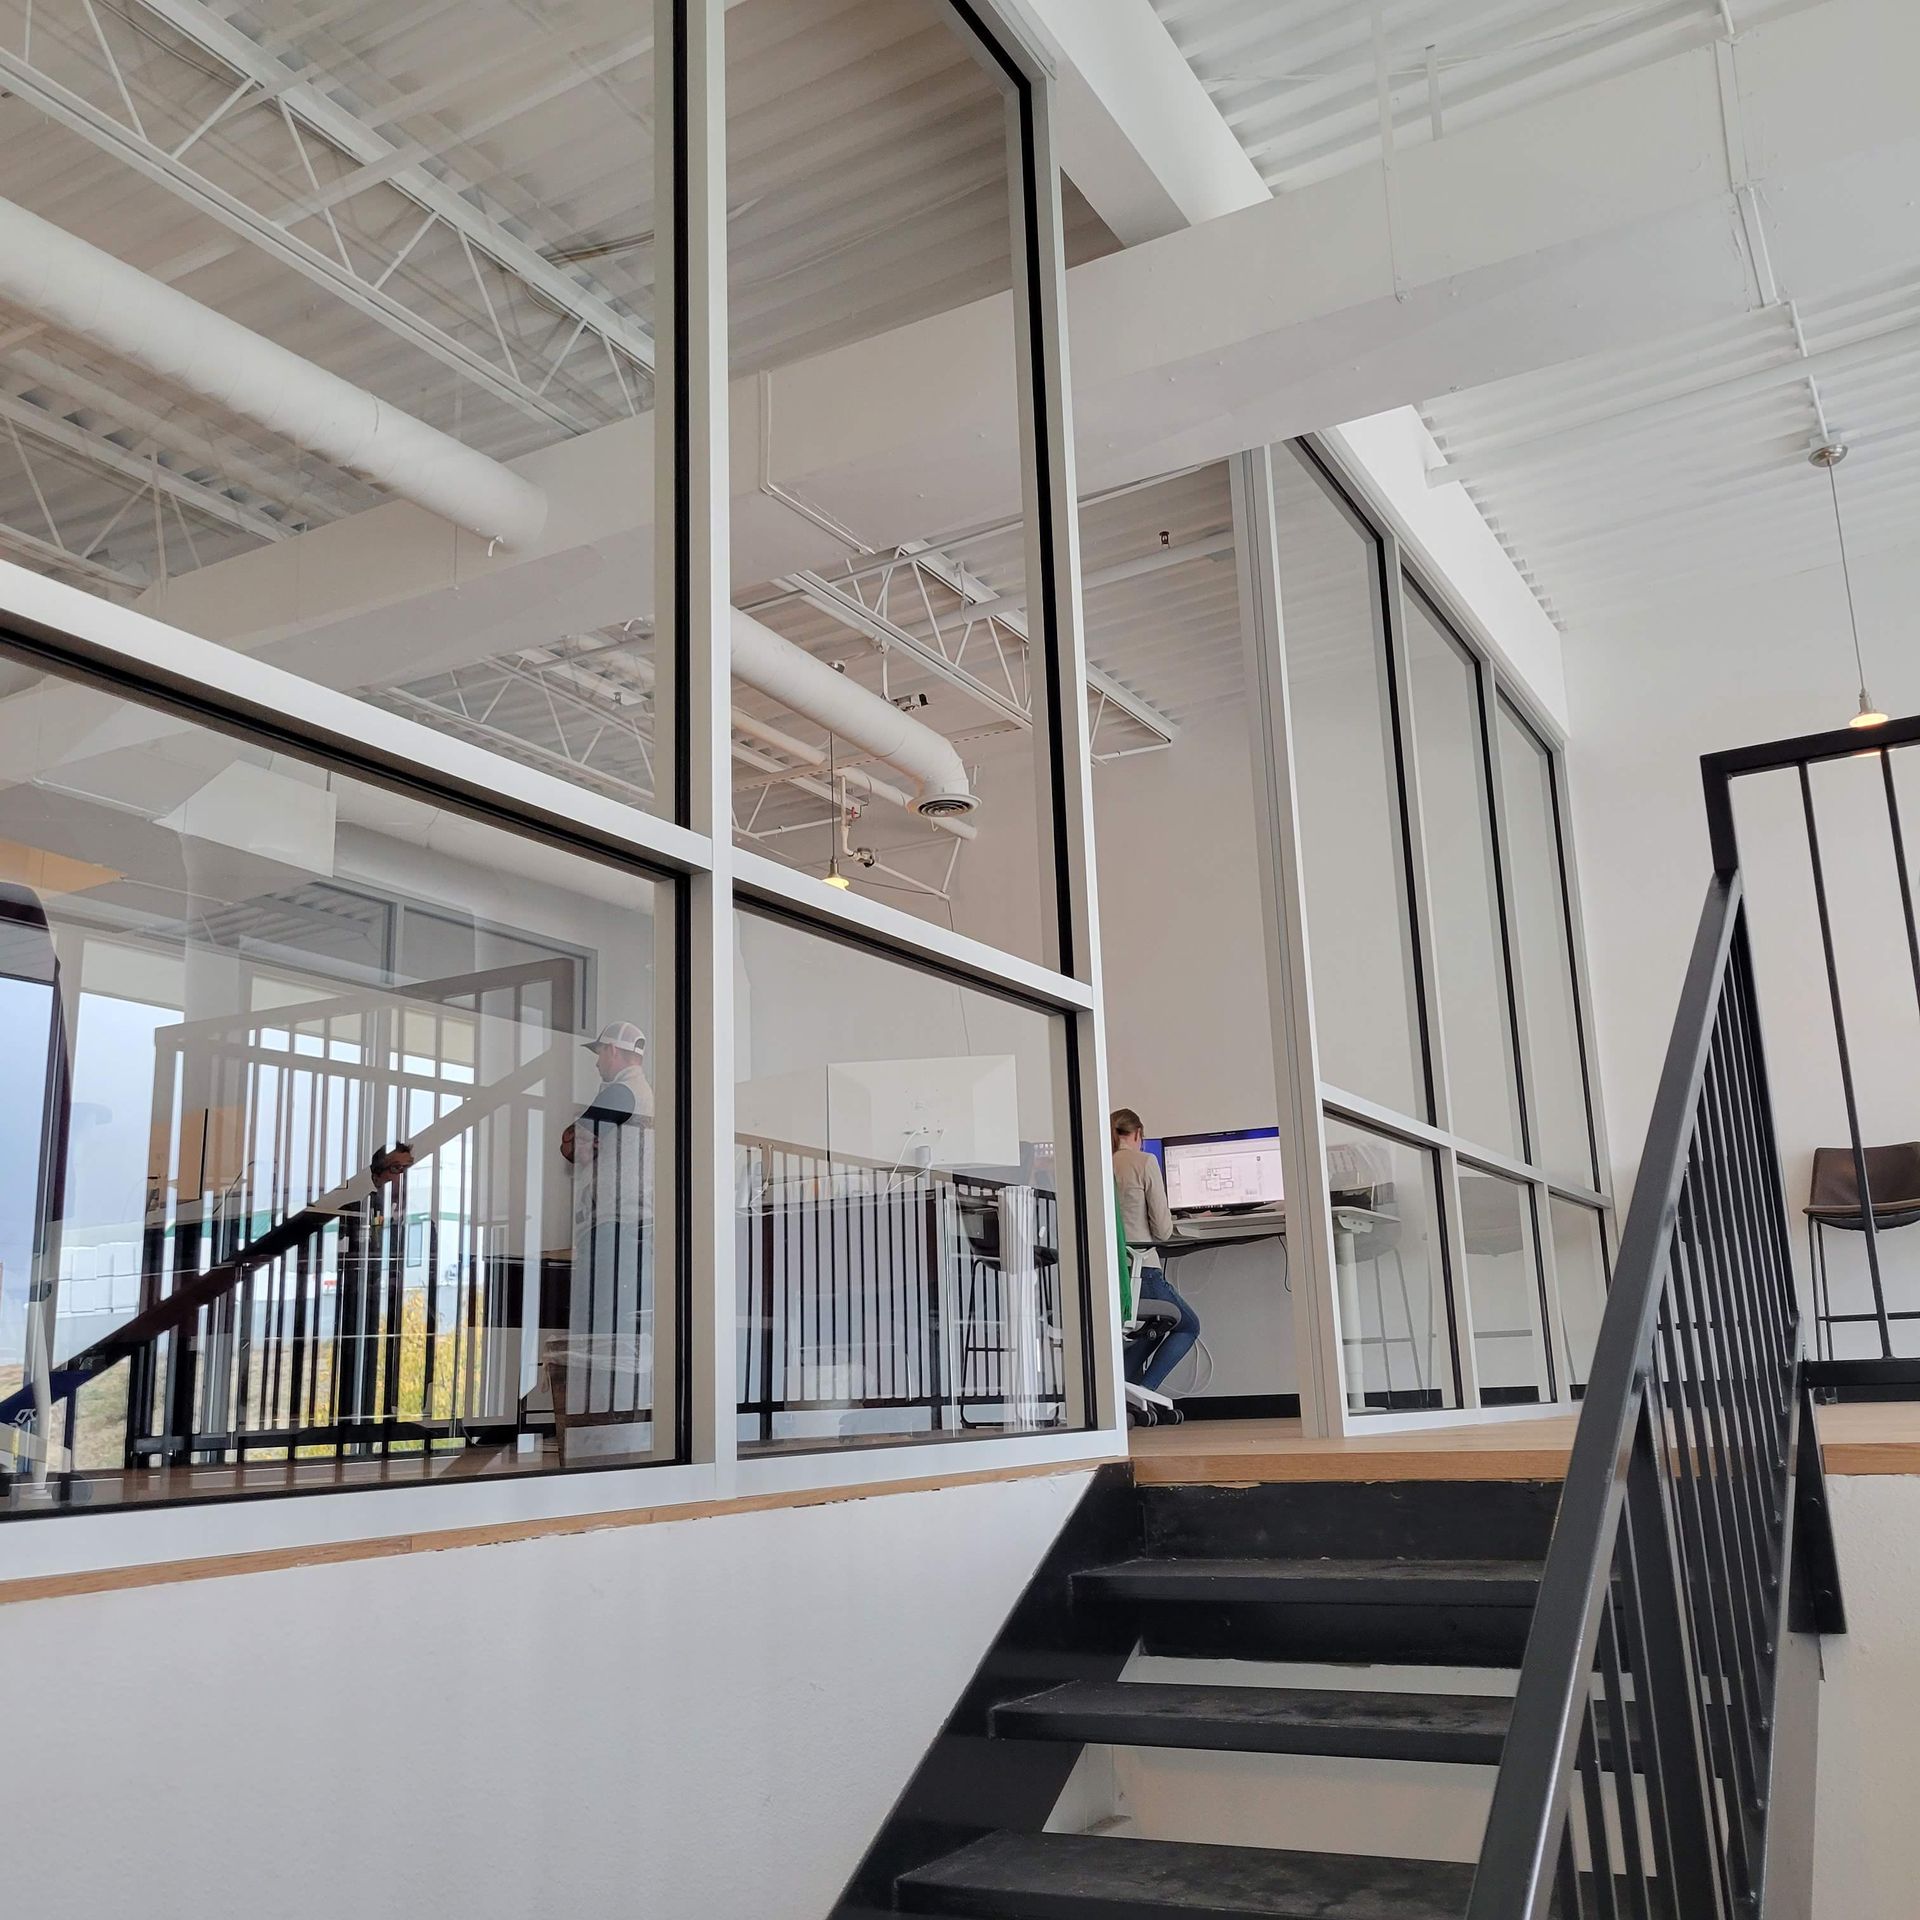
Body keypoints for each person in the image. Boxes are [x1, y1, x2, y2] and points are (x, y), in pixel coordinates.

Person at [1112, 1108, 1200, 1395]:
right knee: (1188, 1326)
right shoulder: (1145, 1161)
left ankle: (1125, 1391)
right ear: (1138, 1134)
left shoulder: (1096, 1165)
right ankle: (1146, 1391)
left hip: (1110, 1276)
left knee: (1157, 1325)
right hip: (1141, 1274)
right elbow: (1163, 1231)